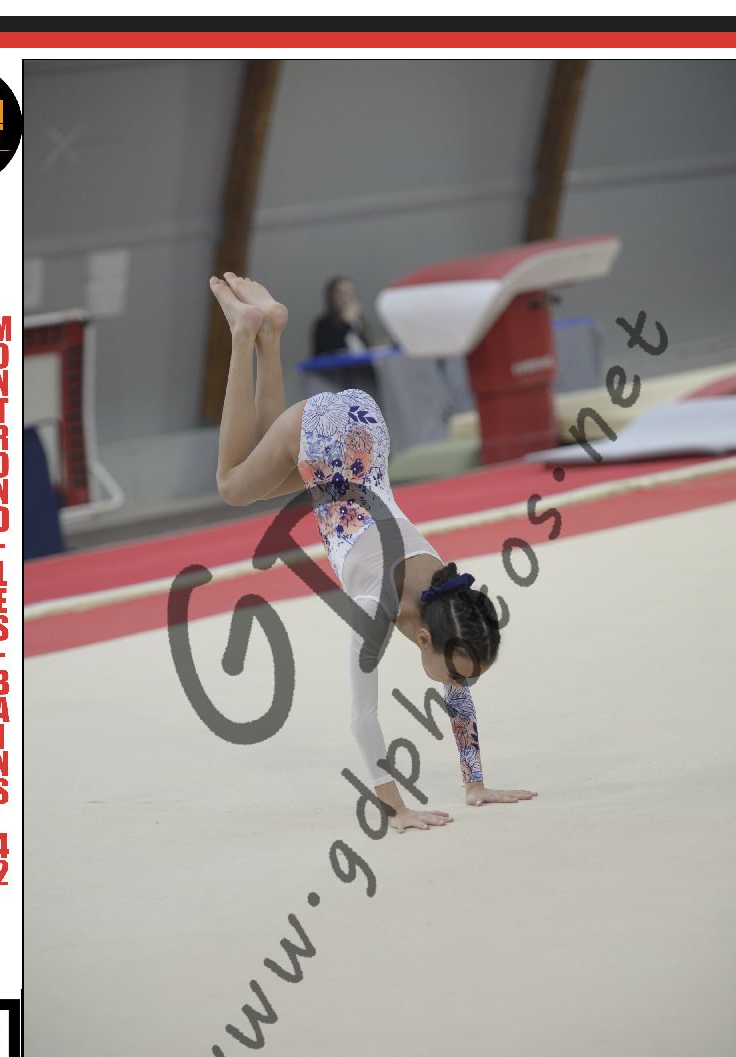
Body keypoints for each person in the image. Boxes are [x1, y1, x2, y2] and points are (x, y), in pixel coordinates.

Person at [209, 271, 537, 833]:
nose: (460, 687)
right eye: (460, 675)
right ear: (425, 639)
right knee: (234, 485)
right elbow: (363, 717)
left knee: (263, 483)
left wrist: (475, 782)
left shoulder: (448, 594)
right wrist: (397, 809)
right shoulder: (375, 605)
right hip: (327, 436)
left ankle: (271, 331)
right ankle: (247, 333)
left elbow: (458, 670)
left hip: (364, 433)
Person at [312, 277, 370, 356]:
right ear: (332, 297)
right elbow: (334, 350)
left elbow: (367, 348)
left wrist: (356, 324)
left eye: (352, 292)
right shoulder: (322, 325)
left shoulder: (359, 321)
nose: (348, 298)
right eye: (343, 294)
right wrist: (346, 323)